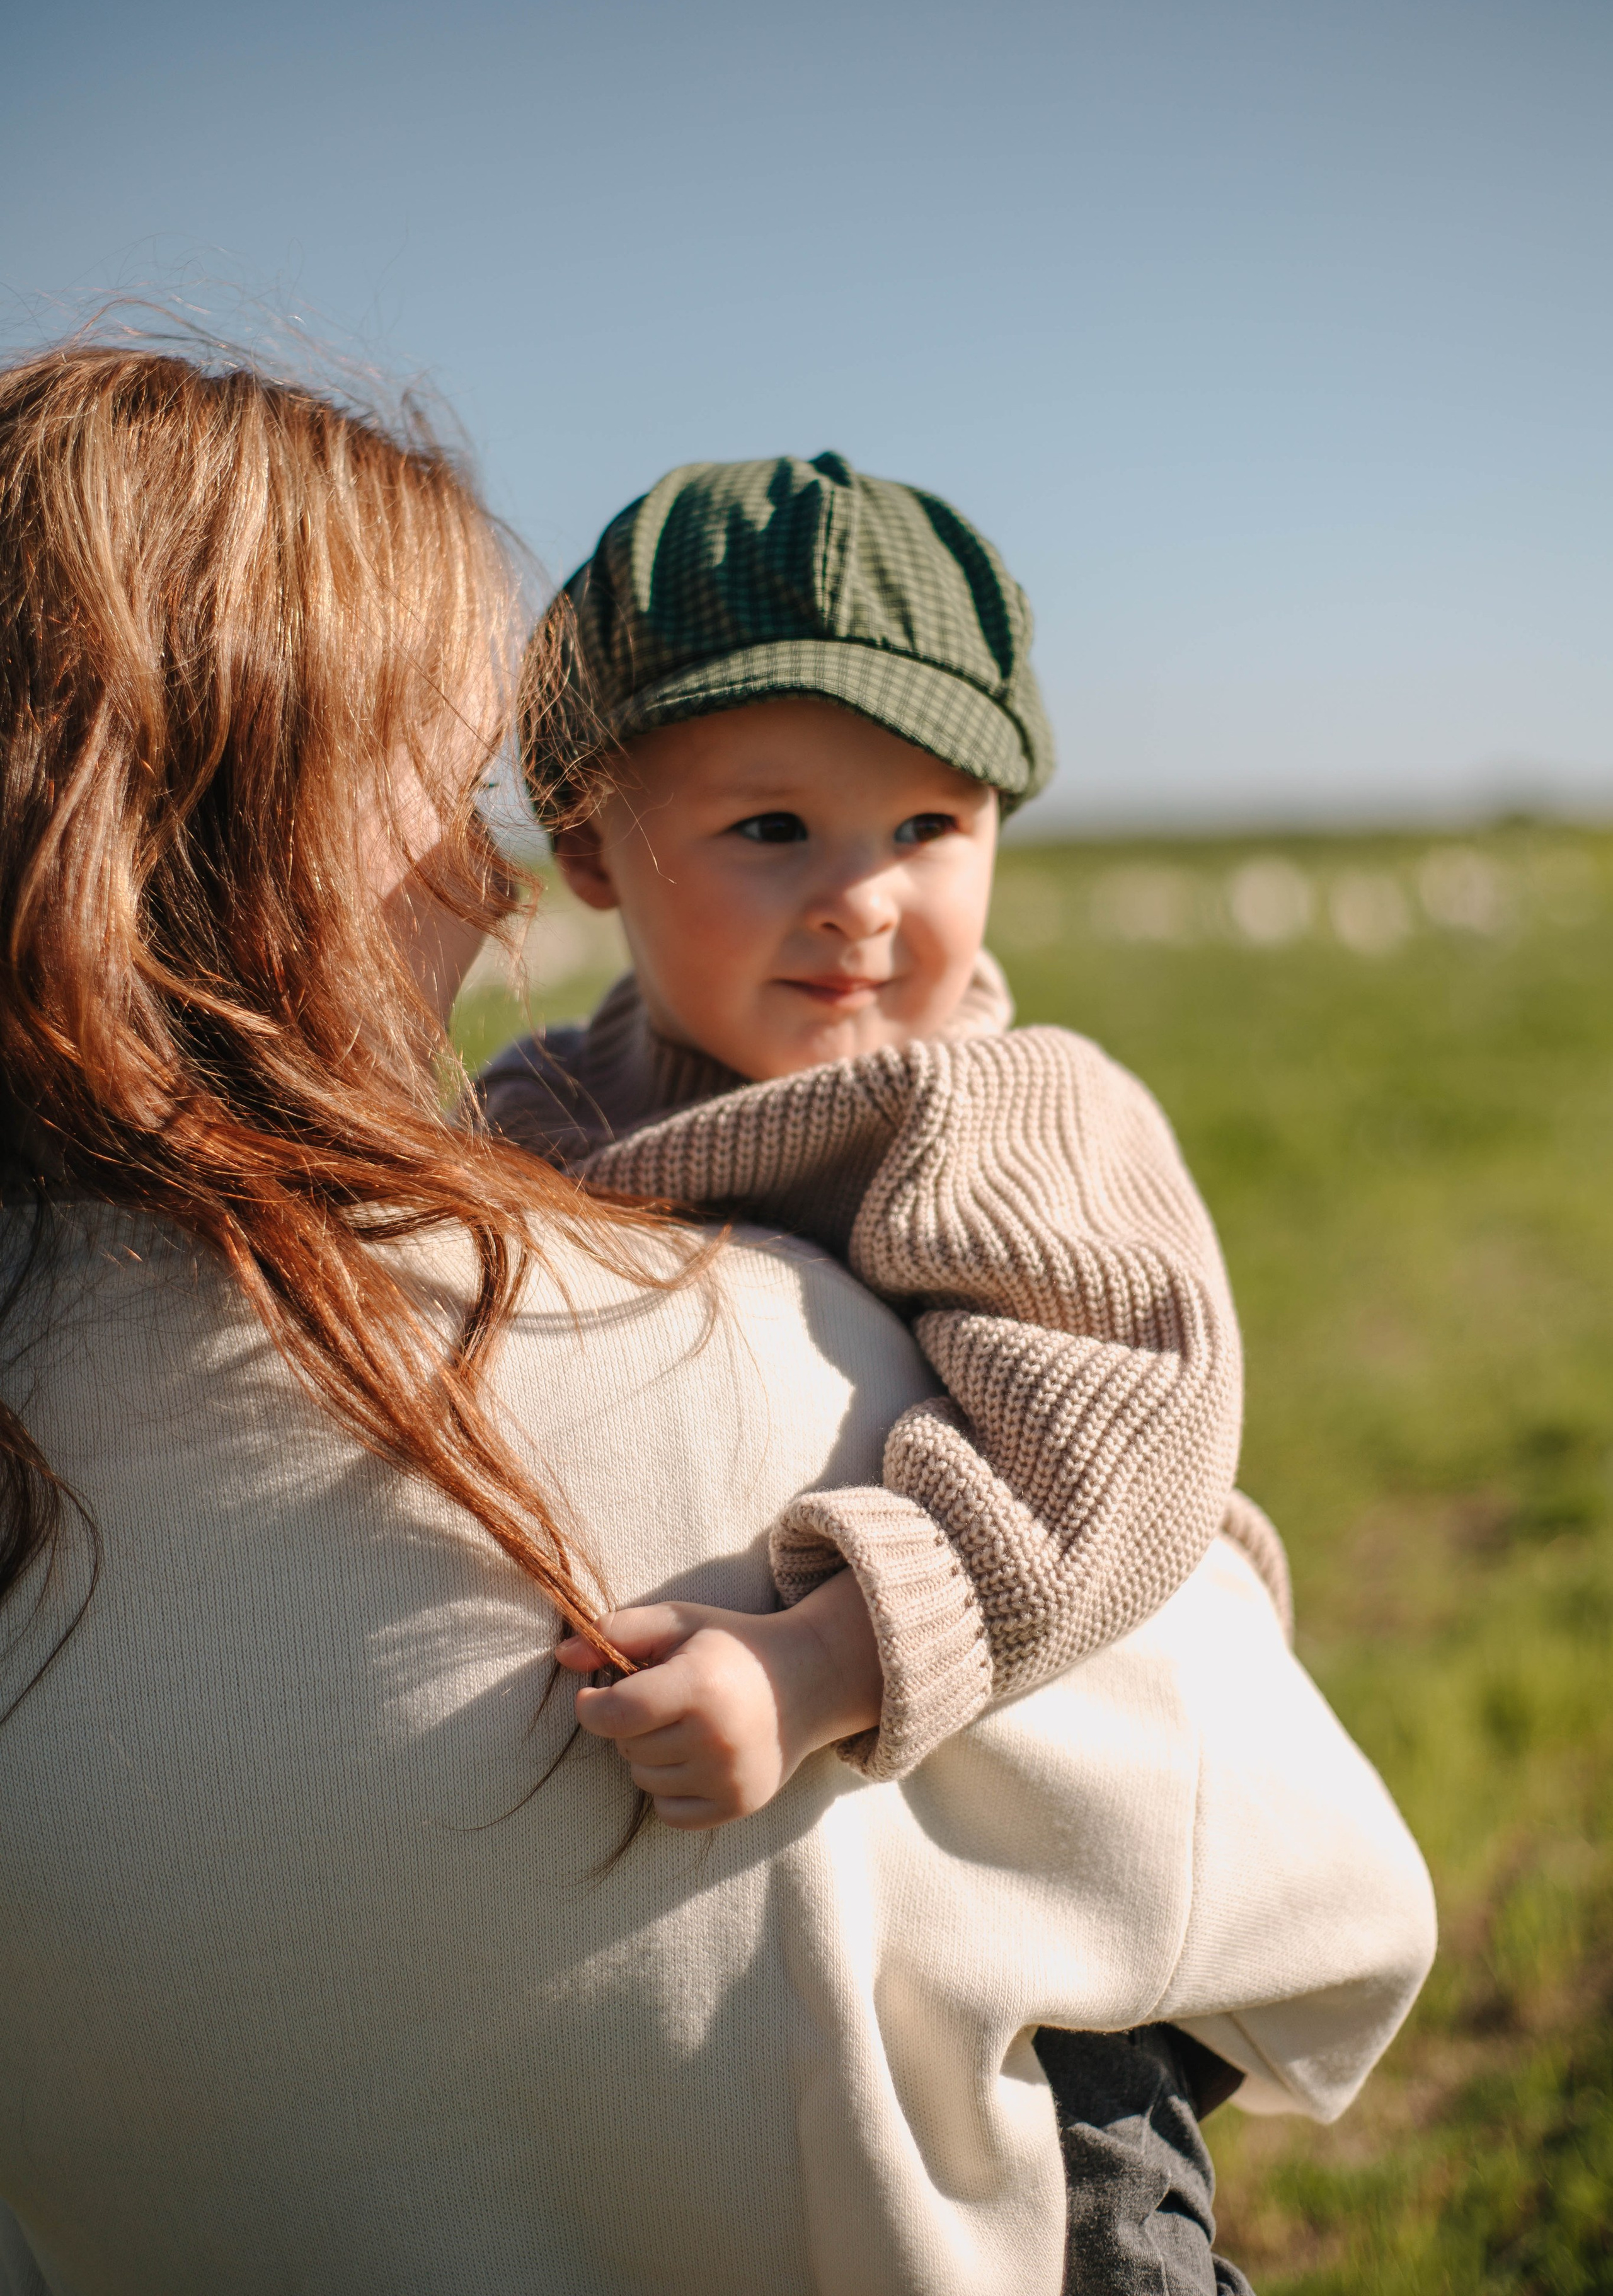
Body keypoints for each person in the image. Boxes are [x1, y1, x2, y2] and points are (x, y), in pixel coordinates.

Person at [0, 349, 1434, 2296]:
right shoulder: (534, 1120)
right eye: (773, 829)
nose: (865, 902)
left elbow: (1125, 1417)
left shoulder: (998, 1111)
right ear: (592, 850)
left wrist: (831, 1653)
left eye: (931, 825)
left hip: (1032, 1823)